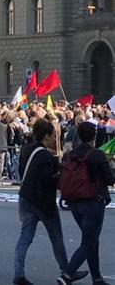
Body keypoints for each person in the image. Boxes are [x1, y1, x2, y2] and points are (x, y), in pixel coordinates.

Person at [12, 120, 86, 285]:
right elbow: (49, 180)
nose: (55, 139)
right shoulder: (46, 156)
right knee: (56, 237)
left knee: (25, 237)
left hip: (25, 197)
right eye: (53, 135)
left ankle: (19, 273)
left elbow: (23, 171)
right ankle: (66, 271)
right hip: (43, 203)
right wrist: (60, 171)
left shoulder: (26, 149)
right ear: (46, 136)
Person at [57, 122, 115, 285]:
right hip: (93, 202)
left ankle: (97, 278)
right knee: (89, 241)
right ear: (94, 136)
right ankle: (67, 274)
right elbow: (110, 179)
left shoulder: (70, 154)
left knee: (91, 239)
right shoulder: (96, 154)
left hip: (74, 202)